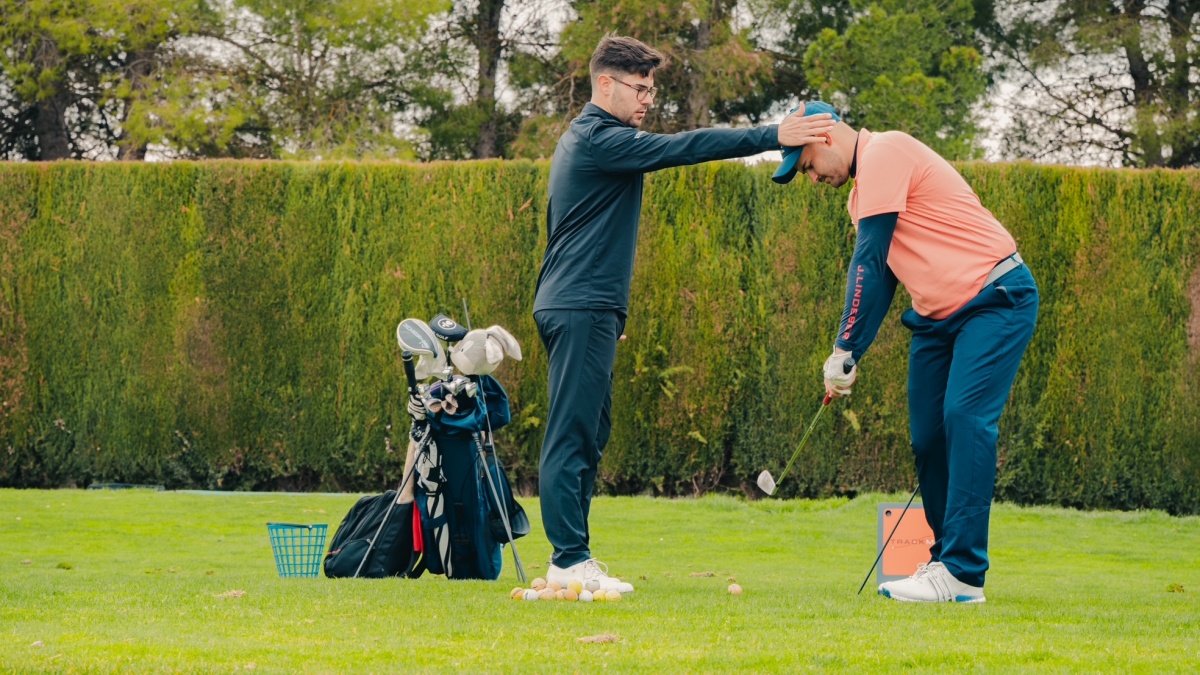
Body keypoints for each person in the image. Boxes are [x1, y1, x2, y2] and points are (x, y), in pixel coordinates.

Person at [533, 35, 836, 592]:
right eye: (640, 89)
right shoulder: (600, 138)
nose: (648, 100)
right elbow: (685, 146)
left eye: (652, 90)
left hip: (586, 307)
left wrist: (608, 315)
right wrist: (773, 134)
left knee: (590, 433)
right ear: (606, 84)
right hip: (580, 305)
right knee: (572, 436)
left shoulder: (589, 141)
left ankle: (574, 559)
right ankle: (568, 561)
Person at [776, 102, 1039, 603]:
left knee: (965, 417)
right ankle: (944, 563)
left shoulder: (887, 151)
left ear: (825, 137)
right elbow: (881, 281)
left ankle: (963, 573)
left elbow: (868, 262)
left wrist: (843, 344)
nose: (812, 179)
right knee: (928, 437)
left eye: (807, 165)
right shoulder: (860, 199)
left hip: (995, 297)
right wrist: (849, 353)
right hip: (937, 319)